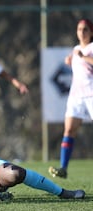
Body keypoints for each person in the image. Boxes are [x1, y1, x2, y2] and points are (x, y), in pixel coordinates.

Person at [49, 19, 93, 179]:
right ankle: (63, 168)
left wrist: (83, 57)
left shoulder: (91, 48)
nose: (82, 32)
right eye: (80, 29)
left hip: (91, 94)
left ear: (91, 32)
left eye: (86, 29)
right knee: (69, 130)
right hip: (76, 96)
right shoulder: (76, 49)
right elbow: (75, 61)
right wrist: (71, 59)